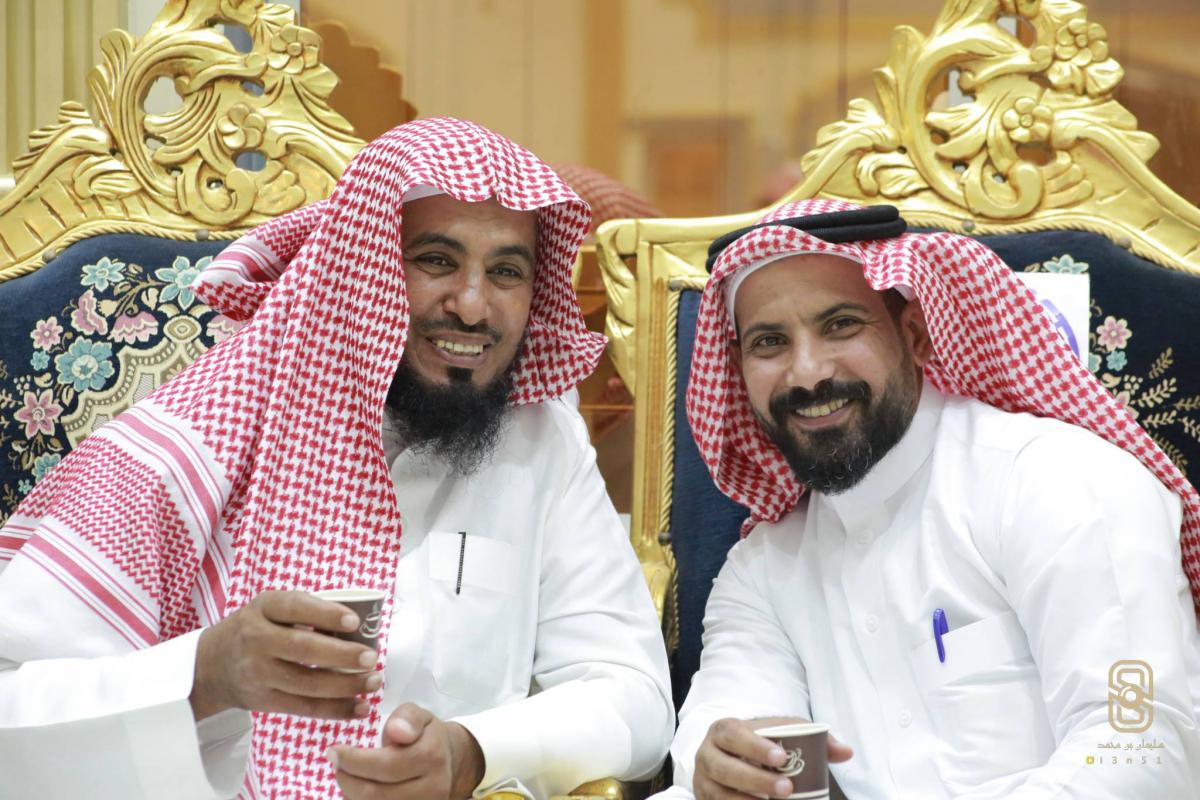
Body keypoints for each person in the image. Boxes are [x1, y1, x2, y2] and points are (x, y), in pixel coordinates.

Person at [0, 117, 673, 800]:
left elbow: (634, 696)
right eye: (436, 261)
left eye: (505, 272)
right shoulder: (192, 440)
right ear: (362, 269)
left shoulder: (541, 438)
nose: (473, 307)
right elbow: (11, 713)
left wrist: (471, 752)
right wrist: (204, 675)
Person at [658, 200, 1200, 799]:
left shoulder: (1058, 483)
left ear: (914, 334)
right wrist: (726, 765)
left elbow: (1143, 750)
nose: (807, 373)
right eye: (769, 342)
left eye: (841, 325)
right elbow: (732, 731)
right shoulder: (763, 569)